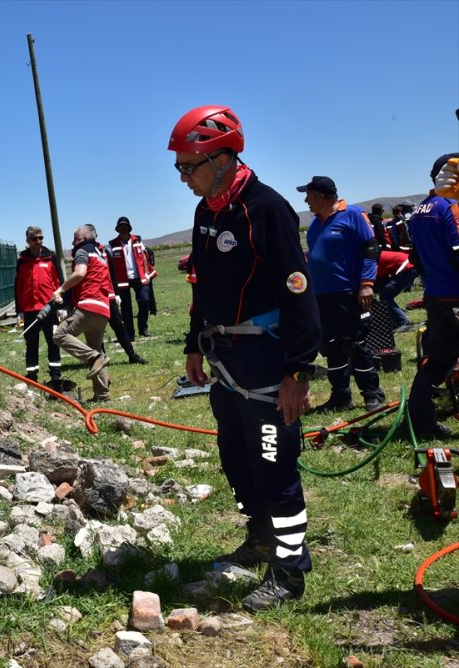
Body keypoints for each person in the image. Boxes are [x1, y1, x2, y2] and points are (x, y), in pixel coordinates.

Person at [170, 104, 320, 612]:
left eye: (189, 166)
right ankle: (261, 538)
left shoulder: (268, 209)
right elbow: (201, 284)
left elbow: (299, 293)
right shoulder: (206, 212)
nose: (184, 178)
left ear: (222, 157)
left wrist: (297, 371)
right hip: (225, 363)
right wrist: (194, 342)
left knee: (275, 464)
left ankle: (290, 569)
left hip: (266, 363)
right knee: (237, 458)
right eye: (180, 168)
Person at [301, 176, 386, 412]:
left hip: (348, 292)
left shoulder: (353, 215)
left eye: (308, 195)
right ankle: (340, 396)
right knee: (331, 346)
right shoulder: (316, 224)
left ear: (320, 196)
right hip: (321, 295)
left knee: (355, 344)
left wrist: (367, 284)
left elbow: (371, 250)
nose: (306, 200)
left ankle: (372, 394)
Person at [406, 153, 459, 438]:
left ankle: (421, 419)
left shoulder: (422, 208)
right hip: (454, 291)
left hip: (437, 292)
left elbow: (417, 256)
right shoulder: (450, 206)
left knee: (439, 356)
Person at [52, 225, 114, 403]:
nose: (73, 242)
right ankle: (102, 396)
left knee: (60, 335)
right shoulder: (100, 253)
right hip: (103, 309)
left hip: (88, 305)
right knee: (96, 349)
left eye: (76, 238)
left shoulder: (83, 251)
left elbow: (80, 273)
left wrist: (61, 290)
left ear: (86, 238)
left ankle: (94, 358)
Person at [14, 226, 63, 383]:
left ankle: (56, 376)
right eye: (34, 239)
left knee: (53, 342)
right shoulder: (22, 260)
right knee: (31, 345)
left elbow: (59, 282)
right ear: (28, 241)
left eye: (41, 238)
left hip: (49, 308)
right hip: (29, 311)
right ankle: (32, 376)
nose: (38, 241)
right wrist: (19, 311)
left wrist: (61, 307)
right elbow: (18, 286)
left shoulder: (51, 257)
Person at [94, 226, 147, 365]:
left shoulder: (104, 251)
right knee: (99, 326)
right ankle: (101, 356)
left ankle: (134, 349)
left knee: (121, 323)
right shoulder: (108, 246)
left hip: (115, 290)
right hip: (96, 295)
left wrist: (115, 293)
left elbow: (111, 272)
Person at [107, 217, 157, 338]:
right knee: (125, 308)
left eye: (125, 226)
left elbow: (144, 256)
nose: (123, 229)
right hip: (122, 279)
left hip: (139, 276)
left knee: (145, 300)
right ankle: (130, 333)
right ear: (117, 229)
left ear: (129, 227)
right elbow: (109, 262)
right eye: (120, 227)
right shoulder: (112, 244)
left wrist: (145, 272)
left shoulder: (138, 240)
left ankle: (143, 328)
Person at [374, 249, 418, 332]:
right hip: (409, 266)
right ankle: (395, 316)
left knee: (385, 296)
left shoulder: (370, 260)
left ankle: (403, 323)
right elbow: (381, 280)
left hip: (407, 267)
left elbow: (375, 278)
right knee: (384, 293)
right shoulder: (372, 256)